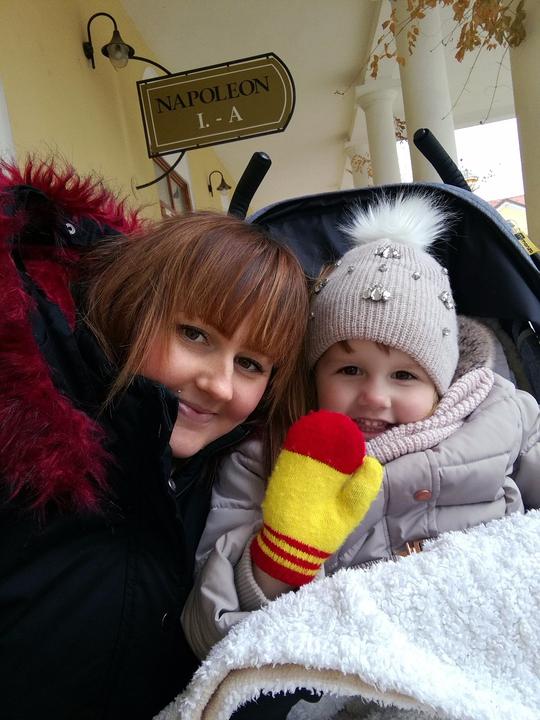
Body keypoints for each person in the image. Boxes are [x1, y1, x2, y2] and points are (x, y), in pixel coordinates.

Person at [0, 159, 309, 720]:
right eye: (195, 335)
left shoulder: (236, 489)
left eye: (250, 363)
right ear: (134, 306)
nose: (218, 384)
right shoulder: (19, 446)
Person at [182, 193, 540, 662]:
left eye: (404, 376)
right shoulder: (264, 457)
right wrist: (277, 560)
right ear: (313, 374)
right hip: (360, 657)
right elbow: (208, 627)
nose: (374, 396)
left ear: (441, 382)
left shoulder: (499, 416)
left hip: (494, 630)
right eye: (349, 370)